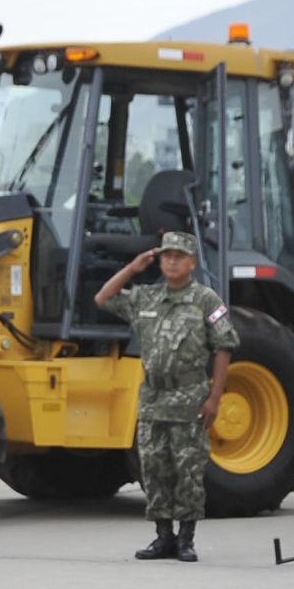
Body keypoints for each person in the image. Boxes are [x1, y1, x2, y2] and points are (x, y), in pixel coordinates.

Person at [94, 231, 237, 562]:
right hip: (154, 397)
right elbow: (103, 297)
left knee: (187, 470)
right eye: (167, 256)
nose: (172, 261)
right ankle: (162, 537)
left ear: (192, 262)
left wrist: (215, 397)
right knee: (154, 468)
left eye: (179, 256)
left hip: (189, 397)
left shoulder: (205, 300)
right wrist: (133, 268)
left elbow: (224, 346)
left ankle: (186, 538)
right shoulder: (147, 297)